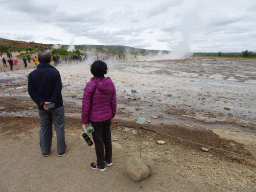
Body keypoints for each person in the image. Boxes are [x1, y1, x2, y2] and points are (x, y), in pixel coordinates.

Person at [28, 51, 69, 157]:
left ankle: (45, 151)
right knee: (59, 127)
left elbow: (31, 92)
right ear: (50, 60)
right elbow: (58, 89)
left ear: (38, 60)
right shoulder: (55, 72)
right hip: (56, 105)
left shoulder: (32, 74)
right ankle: (61, 150)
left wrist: (43, 103)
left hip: (42, 106)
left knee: (44, 127)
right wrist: (50, 103)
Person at [81, 60, 117, 172]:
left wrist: (85, 120)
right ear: (105, 71)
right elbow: (113, 102)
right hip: (107, 117)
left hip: (95, 119)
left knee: (98, 141)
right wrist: (112, 114)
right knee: (107, 139)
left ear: (92, 71)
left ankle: (101, 165)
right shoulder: (110, 83)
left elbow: (85, 105)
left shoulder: (90, 85)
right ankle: (109, 160)